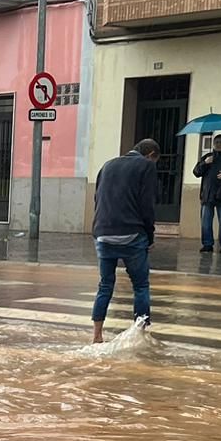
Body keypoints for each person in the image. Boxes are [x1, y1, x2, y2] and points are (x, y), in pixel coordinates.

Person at [90, 138, 161, 345]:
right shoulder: (146, 166)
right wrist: (150, 235)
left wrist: (98, 230)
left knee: (105, 285)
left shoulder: (107, 165)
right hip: (132, 234)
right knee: (140, 285)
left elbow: (97, 199)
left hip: (103, 233)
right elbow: (147, 204)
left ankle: (97, 336)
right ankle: (141, 334)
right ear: (150, 155)